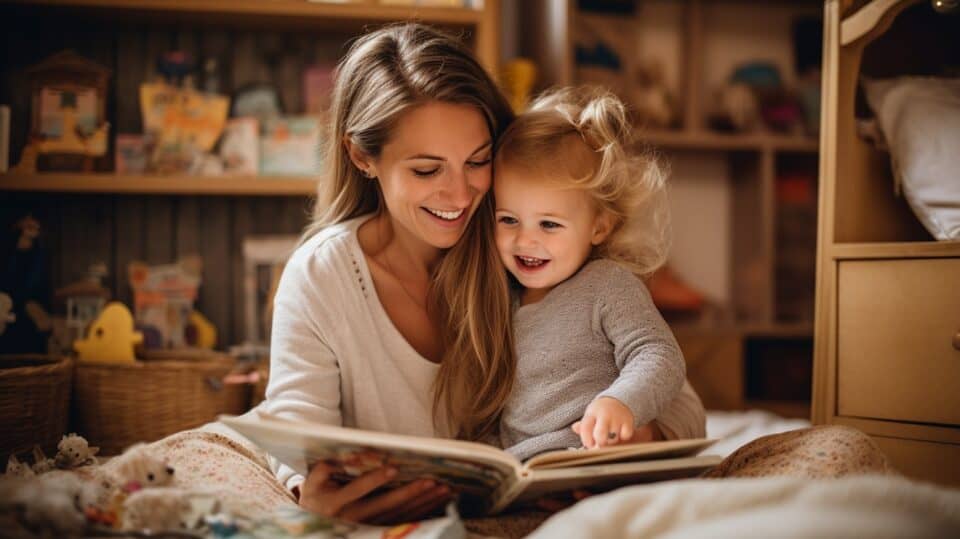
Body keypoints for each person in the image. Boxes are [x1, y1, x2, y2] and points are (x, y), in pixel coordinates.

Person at [259, 23, 707, 524]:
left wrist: (632, 443)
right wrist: (307, 494)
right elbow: (292, 430)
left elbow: (679, 399)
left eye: (478, 161)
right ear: (362, 156)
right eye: (427, 170)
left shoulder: (523, 247)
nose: (459, 197)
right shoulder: (323, 276)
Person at [493, 87, 686, 460]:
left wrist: (621, 401)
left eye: (549, 224)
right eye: (508, 220)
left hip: (594, 455)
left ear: (599, 227)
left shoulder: (607, 285)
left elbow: (659, 354)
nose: (525, 240)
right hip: (526, 467)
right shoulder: (501, 296)